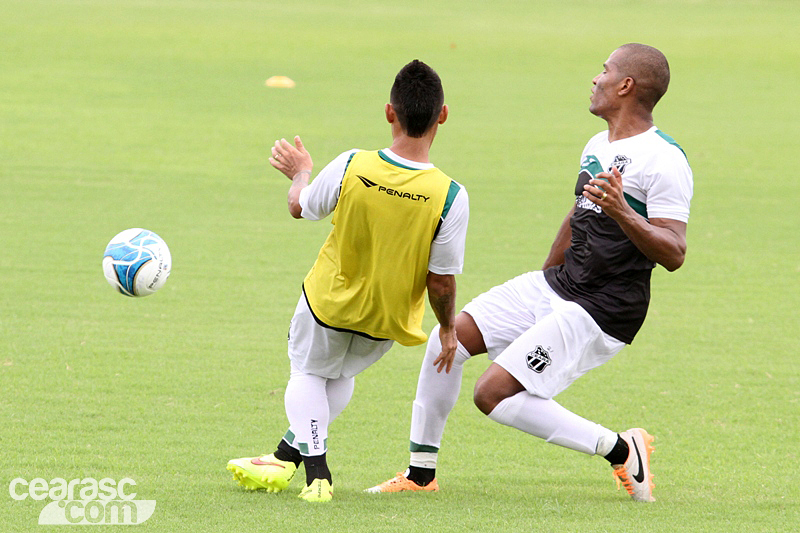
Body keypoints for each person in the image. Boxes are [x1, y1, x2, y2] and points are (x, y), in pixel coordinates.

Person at [367, 43, 692, 503]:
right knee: (451, 338)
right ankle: (420, 473)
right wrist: (544, 278)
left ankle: (621, 449)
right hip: (558, 287)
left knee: (491, 394)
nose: (595, 79)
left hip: (603, 309)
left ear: (626, 86)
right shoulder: (599, 144)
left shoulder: (665, 159)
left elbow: (675, 251)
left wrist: (623, 213)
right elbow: (579, 209)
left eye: (605, 71)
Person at [227, 60, 469, 503]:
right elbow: (441, 281)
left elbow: (300, 207)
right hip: (386, 318)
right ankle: (283, 457)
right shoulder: (451, 195)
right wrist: (449, 328)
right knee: (337, 378)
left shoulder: (353, 164)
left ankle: (318, 475)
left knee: (307, 373)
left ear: (389, 112)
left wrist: (301, 172)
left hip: (329, 304)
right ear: (443, 115)